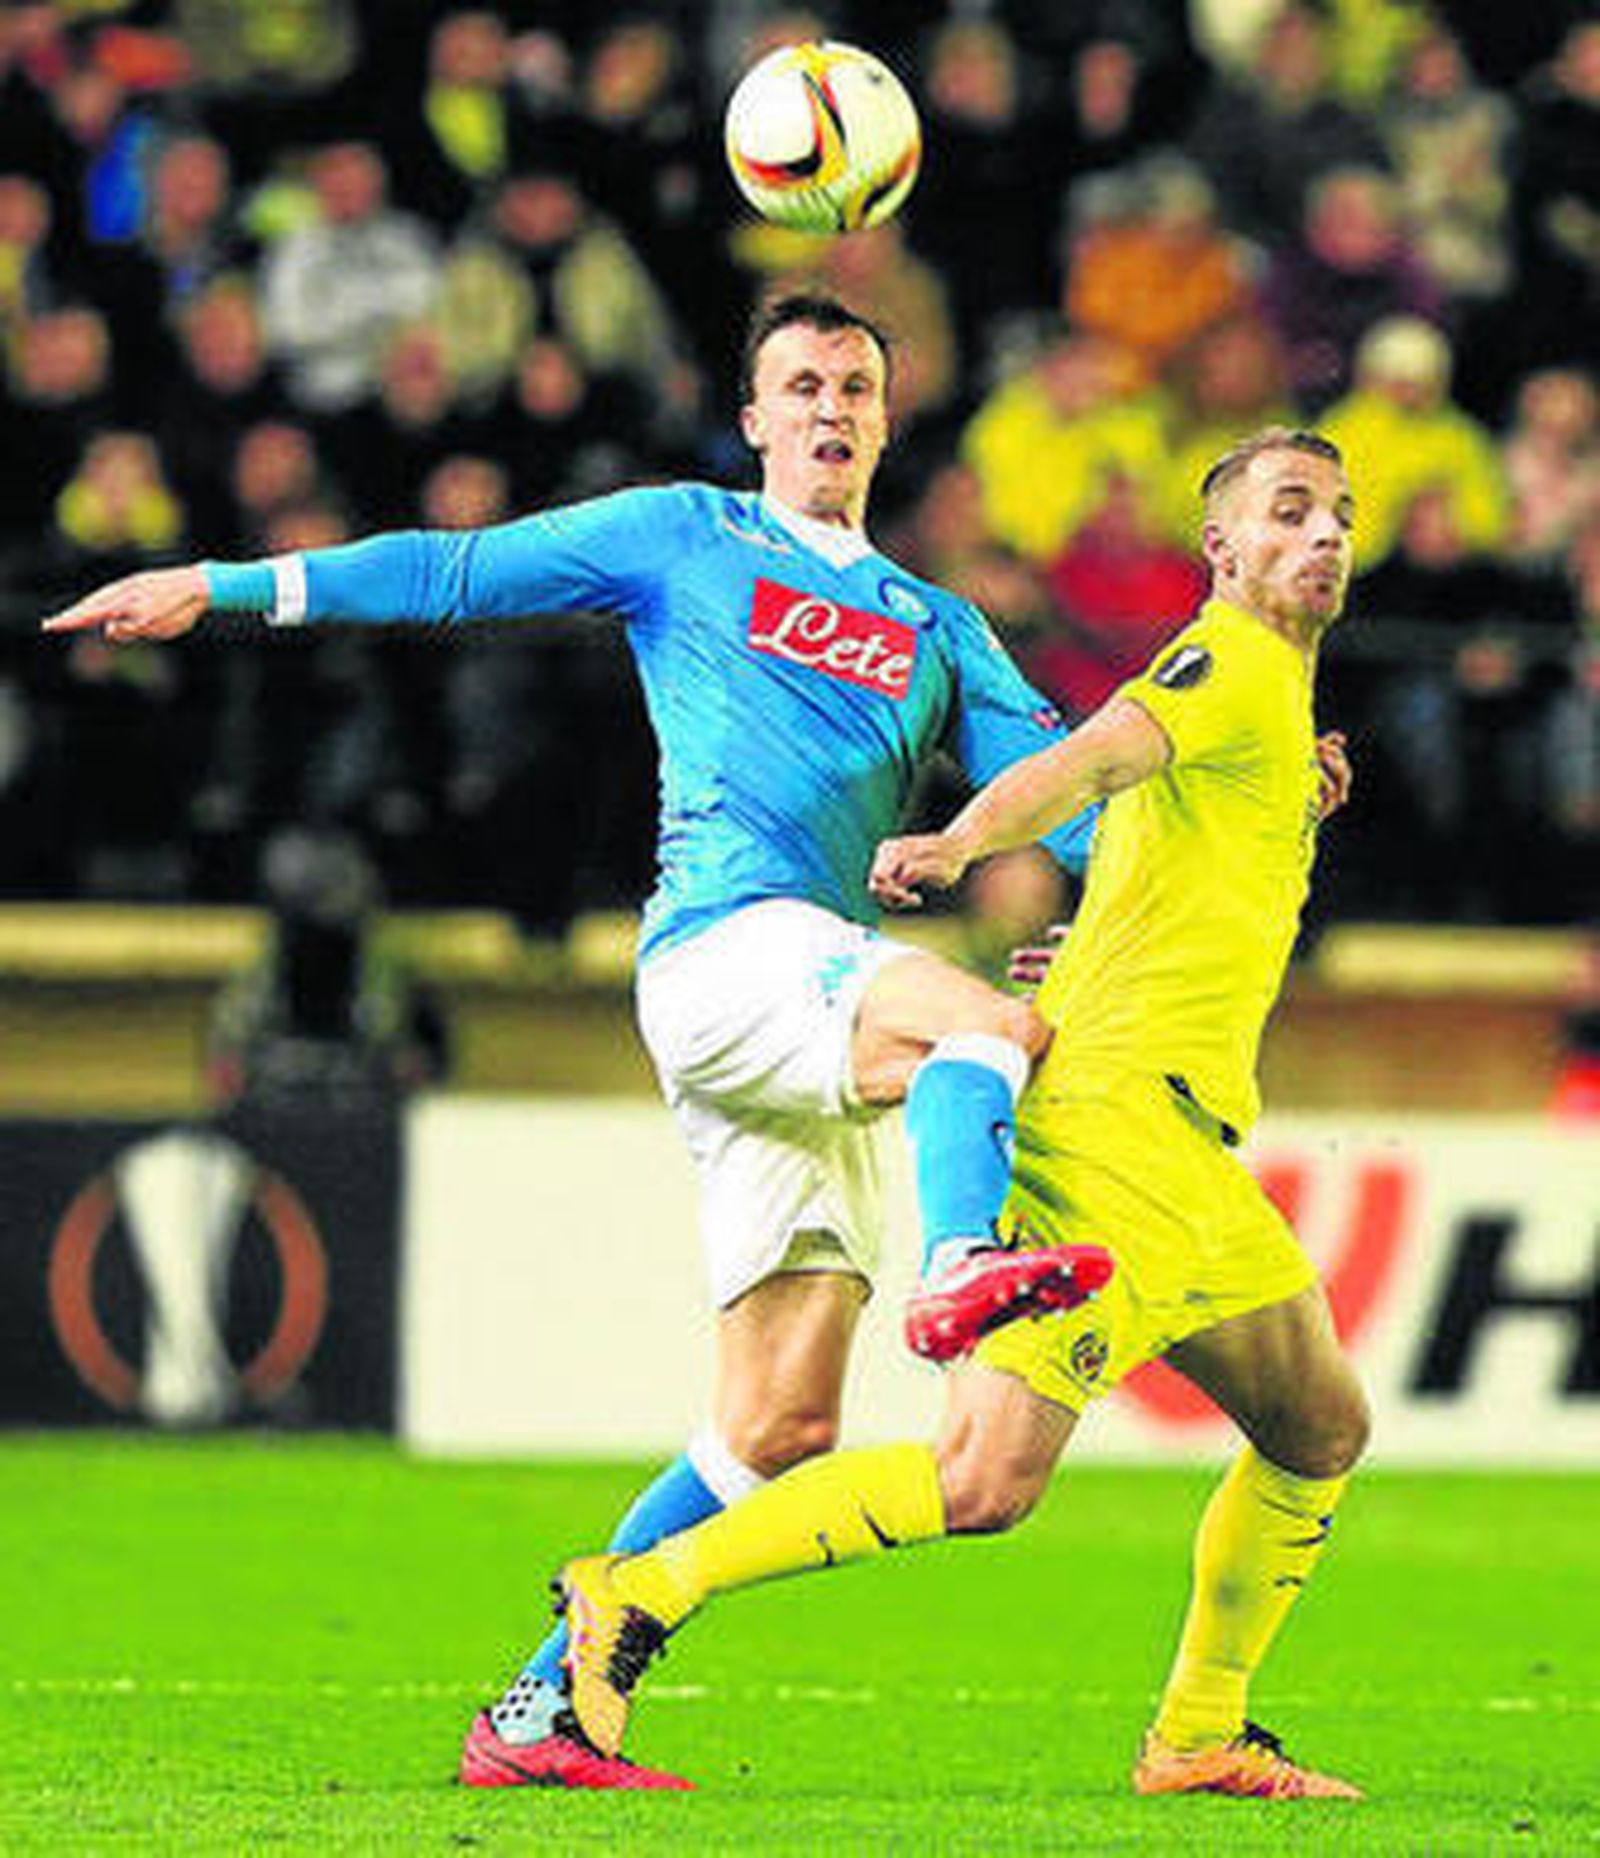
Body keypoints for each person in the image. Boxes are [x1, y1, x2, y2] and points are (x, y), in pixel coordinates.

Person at [43, 292, 1114, 1791]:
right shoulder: (684, 534)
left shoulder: (939, 629)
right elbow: (453, 571)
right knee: (986, 1021)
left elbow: (1073, 800)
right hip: (727, 952)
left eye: (854, 387)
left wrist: (1248, 803)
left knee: (780, 1426)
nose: (829, 406)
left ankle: (545, 1705)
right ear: (753, 418)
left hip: (814, 991)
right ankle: (962, 1261)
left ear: (886, 419)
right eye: (801, 383)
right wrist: (220, 587)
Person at [551, 426, 1371, 1803]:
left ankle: (1197, 1734)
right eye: (1288, 511)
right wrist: (960, 841)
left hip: (1178, 1142)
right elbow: (1088, 761)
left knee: (1314, 1428)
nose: (1324, 533)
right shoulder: (1225, 663)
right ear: (1221, 549)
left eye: (1339, 512)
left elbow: (1159, 858)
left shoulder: (1273, 712)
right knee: (989, 1477)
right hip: (1117, 1134)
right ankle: (639, 1589)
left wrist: (1259, 821)